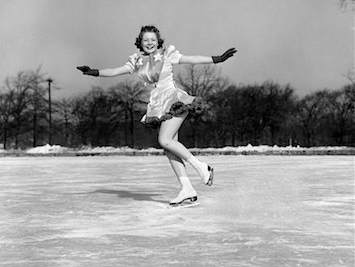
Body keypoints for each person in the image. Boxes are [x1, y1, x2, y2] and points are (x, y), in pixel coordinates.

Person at [77, 25, 236, 207]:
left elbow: (190, 59)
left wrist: (217, 59)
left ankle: (202, 167)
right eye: (146, 40)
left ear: (158, 41)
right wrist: (94, 72)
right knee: (169, 148)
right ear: (140, 42)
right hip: (159, 106)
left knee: (165, 140)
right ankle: (187, 189)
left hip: (175, 100)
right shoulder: (136, 60)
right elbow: (114, 71)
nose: (150, 43)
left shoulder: (167, 53)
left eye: (153, 40)